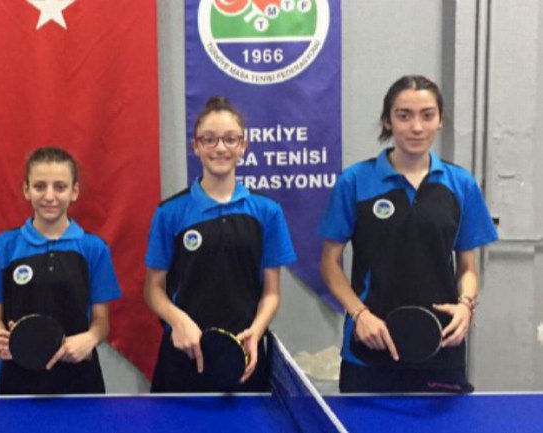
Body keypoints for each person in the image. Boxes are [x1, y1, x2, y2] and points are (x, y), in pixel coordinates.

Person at [319, 75, 498, 393]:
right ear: (388, 120)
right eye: (404, 115)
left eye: (427, 115)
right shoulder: (355, 181)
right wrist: (359, 314)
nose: (416, 127)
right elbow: (329, 264)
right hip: (369, 348)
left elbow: (468, 267)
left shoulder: (461, 184)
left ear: (440, 120)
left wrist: (465, 305)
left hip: (442, 348)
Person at [144, 96, 297, 393]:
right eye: (209, 139)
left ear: (243, 145)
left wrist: (256, 332)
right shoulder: (170, 213)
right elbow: (153, 289)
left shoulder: (267, 212)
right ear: (196, 146)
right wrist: (178, 321)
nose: (220, 147)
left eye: (230, 139)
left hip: (245, 357)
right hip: (183, 357)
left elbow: (271, 292)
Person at [0, 146, 122, 394]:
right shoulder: (3, 247)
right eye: (40, 186)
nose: (49, 196)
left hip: (80, 378)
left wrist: (90, 338)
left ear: (74, 191)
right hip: (17, 378)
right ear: (26, 190)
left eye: (60, 187)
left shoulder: (94, 249)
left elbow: (101, 321)